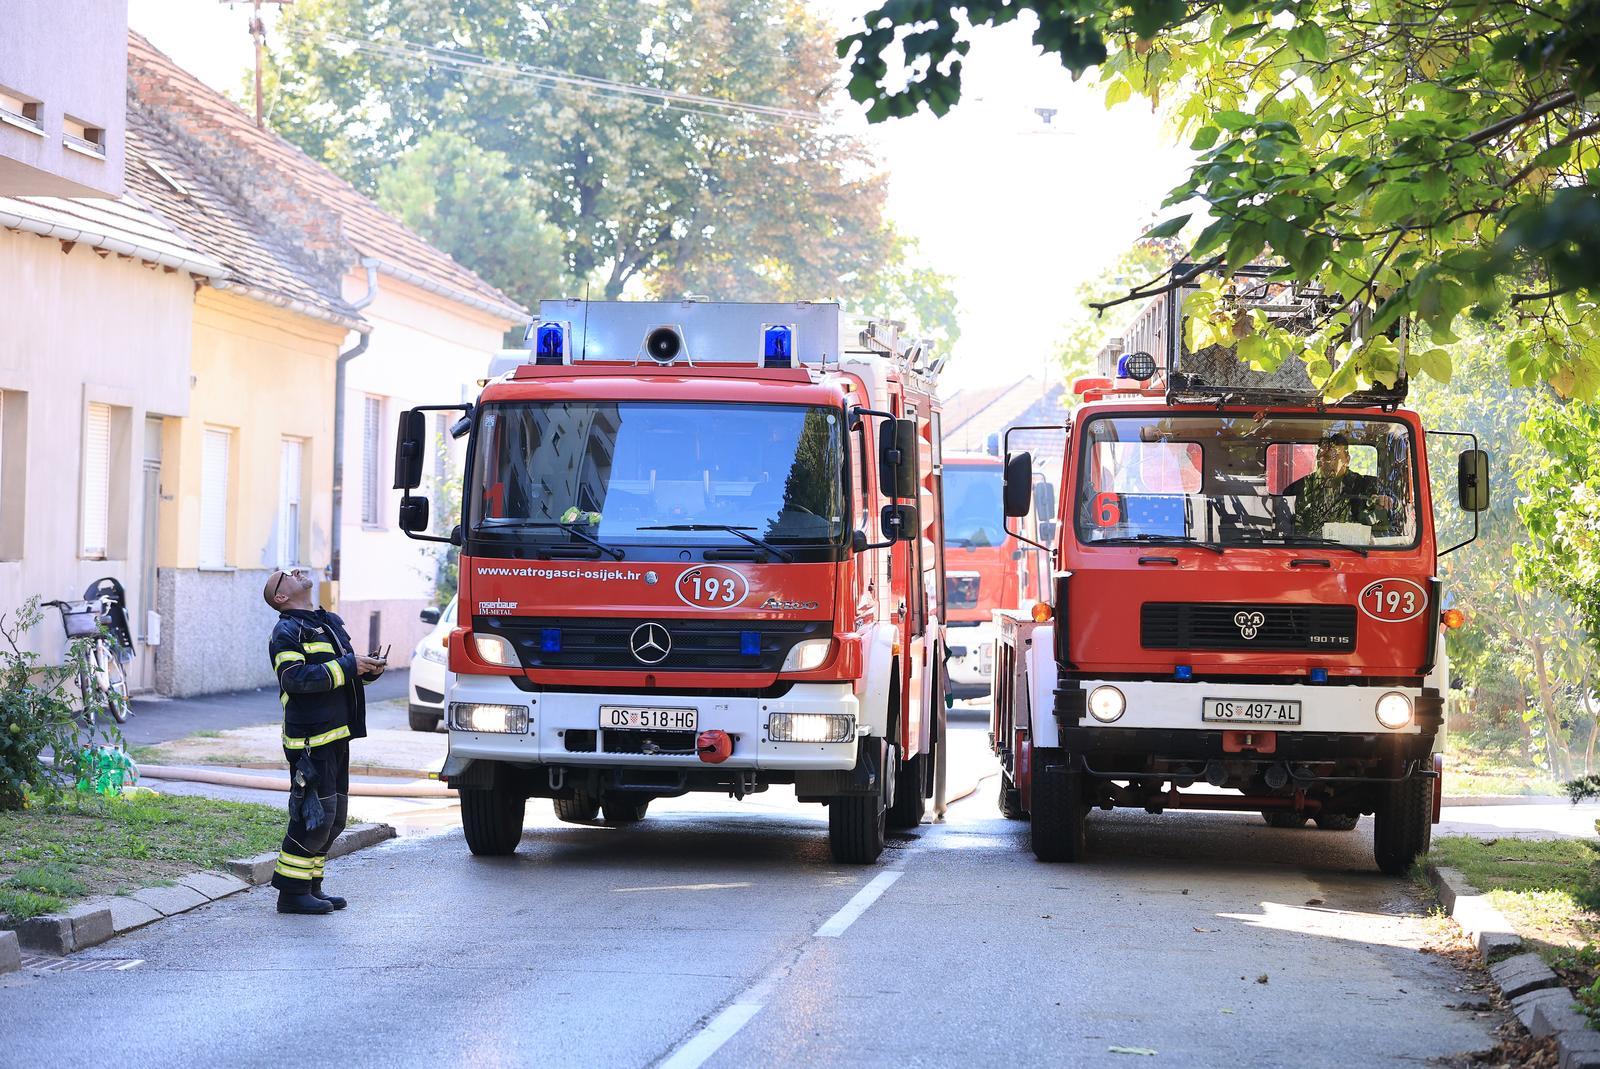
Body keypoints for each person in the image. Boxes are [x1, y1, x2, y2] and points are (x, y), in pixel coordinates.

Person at [263, 567, 385, 916]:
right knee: (314, 816)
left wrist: (366, 670)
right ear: (281, 598)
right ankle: (291, 893)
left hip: (336, 734)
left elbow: (339, 673)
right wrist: (349, 665)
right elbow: (295, 679)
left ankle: (311, 887)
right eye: (284, 575)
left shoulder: (325, 622)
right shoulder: (286, 630)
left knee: (334, 819)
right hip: (309, 741)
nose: (296, 571)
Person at [1287, 434, 1395, 534]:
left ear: (1347, 460)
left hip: (1354, 550)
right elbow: (1290, 523)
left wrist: (1381, 502)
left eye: (1333, 457)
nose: (1327, 462)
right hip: (1310, 549)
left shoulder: (1365, 485)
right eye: (1322, 457)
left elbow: (1396, 506)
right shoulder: (1302, 487)